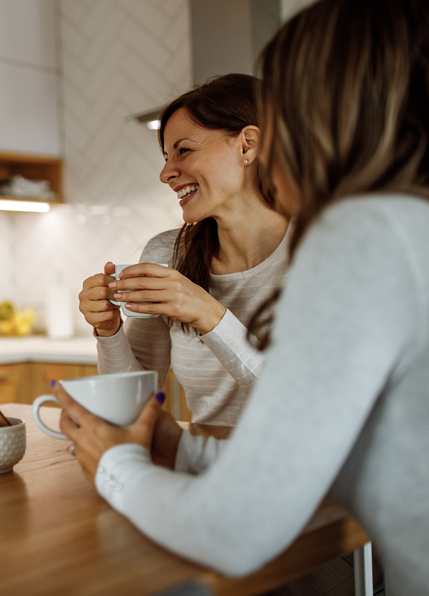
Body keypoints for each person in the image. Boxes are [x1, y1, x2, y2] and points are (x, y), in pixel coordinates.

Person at [55, 0, 429, 594]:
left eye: (290, 105)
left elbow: (234, 530)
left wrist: (116, 467)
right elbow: (335, 455)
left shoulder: (365, 235)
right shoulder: (406, 228)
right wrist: (179, 447)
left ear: (340, 108)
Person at [79, 74, 290, 425]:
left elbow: (307, 408)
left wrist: (208, 314)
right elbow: (132, 410)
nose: (165, 173)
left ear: (248, 145)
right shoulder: (168, 255)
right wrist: (109, 330)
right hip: (202, 457)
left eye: (184, 150)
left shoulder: (324, 253)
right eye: (166, 157)